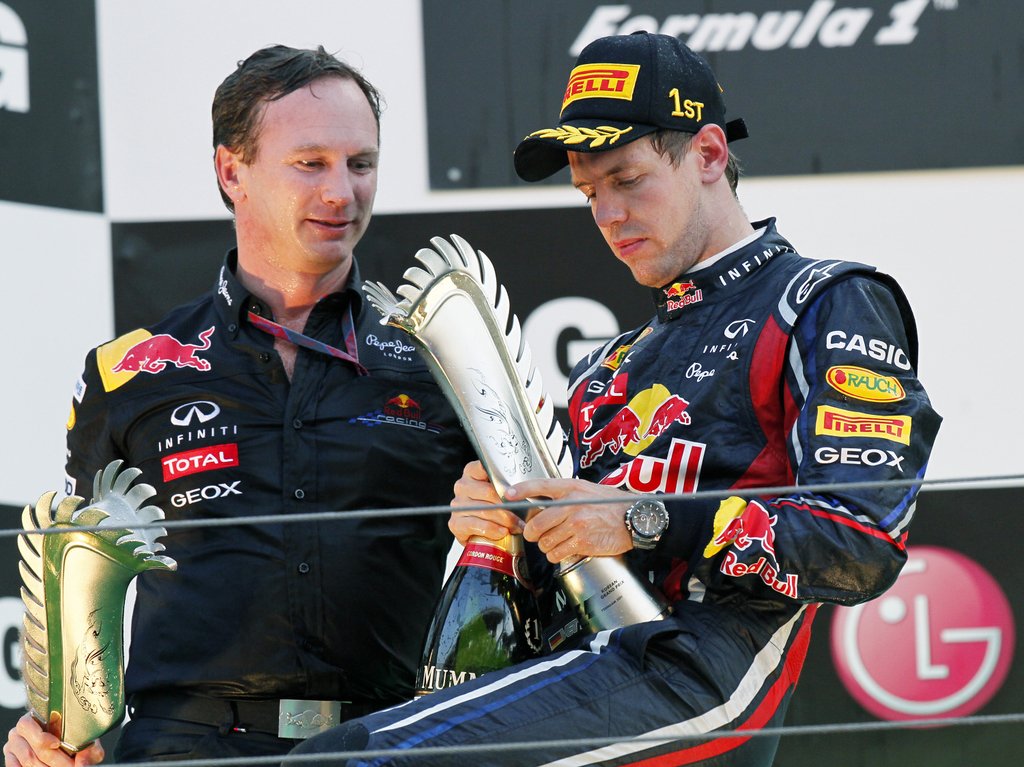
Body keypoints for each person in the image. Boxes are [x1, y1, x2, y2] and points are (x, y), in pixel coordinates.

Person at [288, 31, 942, 766]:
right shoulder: (608, 368)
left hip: (703, 675)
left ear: (709, 155)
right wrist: (505, 528)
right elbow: (574, 565)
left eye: (627, 179)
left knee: (345, 761)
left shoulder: (823, 301)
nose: (607, 214)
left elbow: (858, 544)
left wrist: (638, 517)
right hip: (586, 664)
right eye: (589, 192)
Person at [3, 45, 474, 766]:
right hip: (184, 746)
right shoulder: (130, 372)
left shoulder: (443, 360)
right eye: (310, 163)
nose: (341, 192)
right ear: (232, 171)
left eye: (361, 163)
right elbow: (77, 582)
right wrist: (51, 728)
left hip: (389, 739)